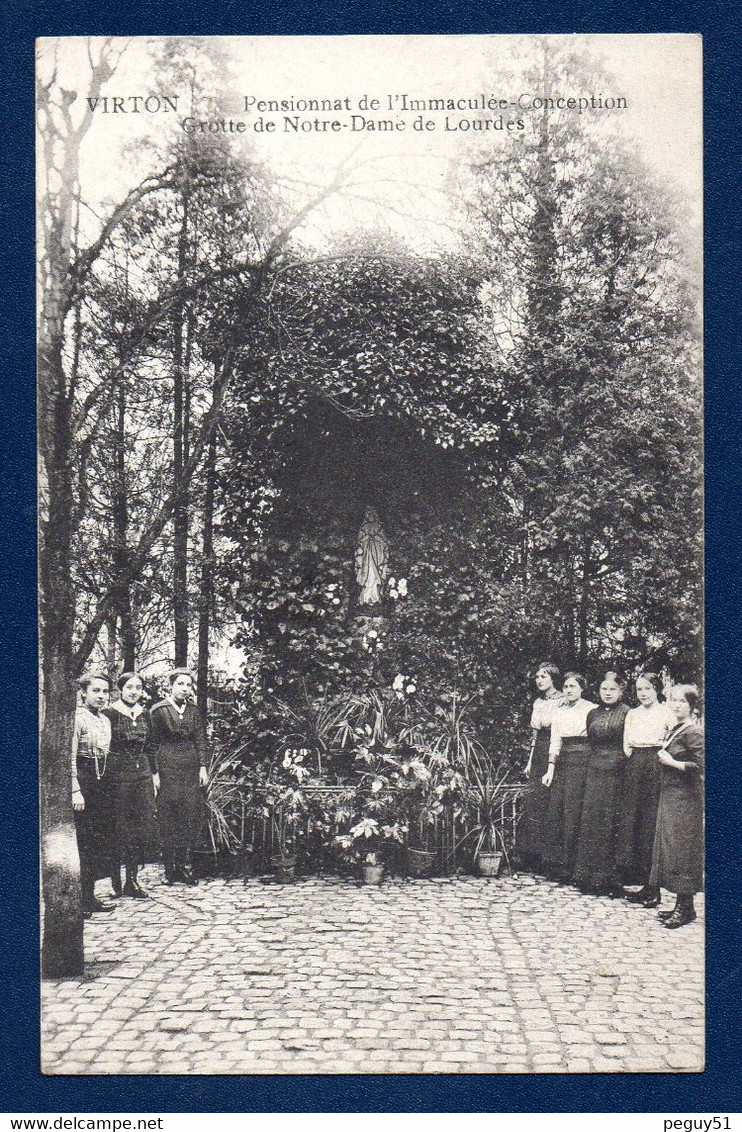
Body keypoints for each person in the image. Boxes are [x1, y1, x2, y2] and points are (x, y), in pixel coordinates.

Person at [145, 669, 209, 885]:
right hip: (167, 765)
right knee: (168, 815)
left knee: (188, 813)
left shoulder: (193, 710)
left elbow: (200, 739)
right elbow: (151, 744)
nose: (184, 688)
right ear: (170, 686)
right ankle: (169, 869)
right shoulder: (158, 710)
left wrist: (202, 767)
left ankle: (183, 867)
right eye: (180, 684)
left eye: (188, 685)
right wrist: (154, 773)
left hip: (190, 767)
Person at [649, 684, 704, 928]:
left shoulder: (694, 732)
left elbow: (702, 767)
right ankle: (684, 906)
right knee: (671, 849)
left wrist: (672, 763)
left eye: (683, 701)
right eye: (673, 700)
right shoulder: (677, 728)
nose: (677, 705)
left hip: (686, 799)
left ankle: (684, 907)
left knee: (683, 851)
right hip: (671, 795)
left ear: (692, 705)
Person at [618, 672, 675, 907]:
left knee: (652, 823)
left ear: (657, 690)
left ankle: (655, 888)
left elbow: (671, 741)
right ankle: (644, 883)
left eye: (648, 689)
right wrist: (635, 760)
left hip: (656, 764)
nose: (643, 694)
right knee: (636, 821)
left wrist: (657, 760)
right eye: (640, 689)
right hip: (636, 764)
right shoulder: (633, 713)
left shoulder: (666, 712)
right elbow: (626, 744)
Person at [572, 671, 630, 895]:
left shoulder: (627, 713)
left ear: (621, 692)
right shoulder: (592, 713)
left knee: (610, 822)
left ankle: (609, 878)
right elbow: (591, 740)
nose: (608, 693)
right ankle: (587, 876)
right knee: (591, 820)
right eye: (604, 689)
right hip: (594, 769)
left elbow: (627, 744)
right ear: (598, 691)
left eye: (612, 689)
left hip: (617, 771)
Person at [104, 673, 160, 899]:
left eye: (138, 687)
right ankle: (115, 881)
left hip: (143, 775)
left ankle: (132, 880)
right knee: (119, 827)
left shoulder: (145, 714)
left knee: (139, 827)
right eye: (129, 687)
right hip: (118, 776)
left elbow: (151, 746)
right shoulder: (110, 713)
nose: (134, 691)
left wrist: (154, 774)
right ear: (120, 689)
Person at [541, 672, 597, 882]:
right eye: (565, 686)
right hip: (564, 761)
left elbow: (595, 739)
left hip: (584, 760)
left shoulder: (591, 709)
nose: (569, 690)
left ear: (582, 688)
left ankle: (577, 867)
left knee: (577, 812)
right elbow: (555, 742)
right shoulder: (558, 711)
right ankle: (560, 864)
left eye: (573, 686)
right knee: (560, 810)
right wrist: (551, 769)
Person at [72, 672, 115, 917]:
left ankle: (90, 897)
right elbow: (69, 757)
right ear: (84, 693)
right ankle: (79, 900)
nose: (101, 696)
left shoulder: (105, 720)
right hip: (84, 778)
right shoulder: (77, 719)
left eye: (105, 692)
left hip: (102, 780)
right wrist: (75, 790)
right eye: (96, 691)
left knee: (98, 842)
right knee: (84, 841)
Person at [515, 663, 564, 872]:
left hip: (556, 750)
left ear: (553, 678)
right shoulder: (538, 702)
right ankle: (529, 855)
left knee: (550, 802)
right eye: (537, 676)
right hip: (539, 751)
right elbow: (535, 735)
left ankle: (549, 858)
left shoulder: (562, 701)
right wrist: (529, 760)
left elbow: (559, 732)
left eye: (543, 676)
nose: (539, 680)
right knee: (533, 802)